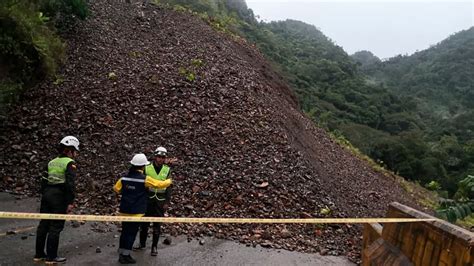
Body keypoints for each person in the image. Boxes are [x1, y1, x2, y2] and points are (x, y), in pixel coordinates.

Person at [113, 153, 172, 264]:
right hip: (136, 212)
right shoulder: (144, 179)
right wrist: (169, 181)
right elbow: (159, 184)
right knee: (131, 234)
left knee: (125, 232)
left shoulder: (123, 178)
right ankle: (126, 255)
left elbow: (116, 189)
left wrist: (127, 191)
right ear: (142, 167)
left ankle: (121, 253)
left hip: (124, 211)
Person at [34, 136, 80, 264]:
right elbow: (70, 184)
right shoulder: (70, 163)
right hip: (59, 196)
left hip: (47, 194)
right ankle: (51, 257)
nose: (75, 154)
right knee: (55, 227)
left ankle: (39, 254)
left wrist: (45, 195)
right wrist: (70, 202)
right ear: (70, 150)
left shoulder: (51, 162)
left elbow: (43, 181)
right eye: (75, 151)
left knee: (44, 225)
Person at [134, 146, 174, 256]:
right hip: (148, 199)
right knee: (144, 224)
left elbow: (169, 187)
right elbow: (141, 184)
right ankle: (142, 244)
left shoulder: (167, 170)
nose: (160, 159)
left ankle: (154, 247)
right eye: (158, 157)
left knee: (157, 225)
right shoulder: (147, 168)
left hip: (160, 201)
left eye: (162, 157)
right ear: (155, 157)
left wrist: (167, 201)